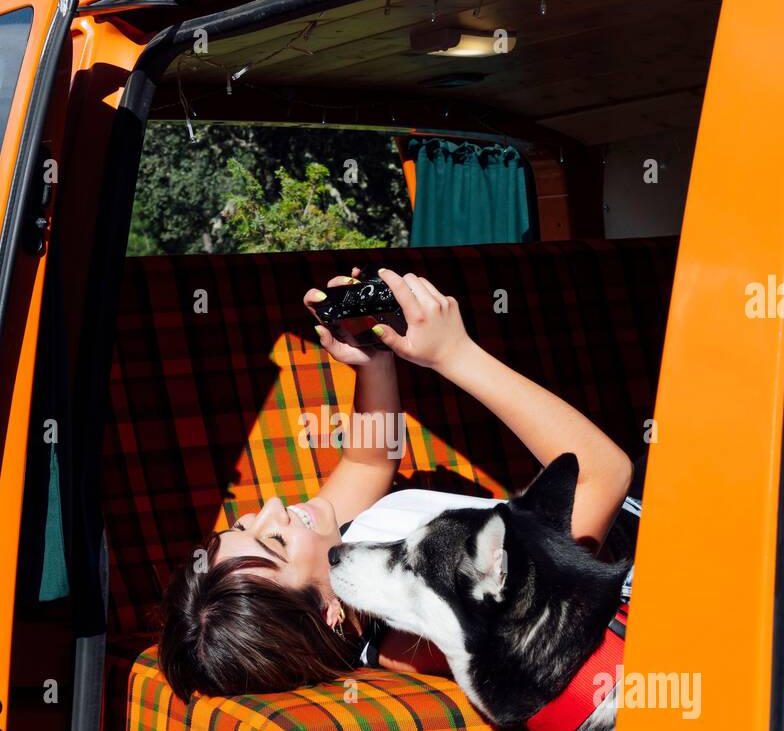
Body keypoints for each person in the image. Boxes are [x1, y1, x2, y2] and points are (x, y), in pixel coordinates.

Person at [158, 267, 637, 700]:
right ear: (327, 612)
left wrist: (372, 359)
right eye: (276, 541)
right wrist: (456, 355)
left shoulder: (345, 558)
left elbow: (369, 462)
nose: (275, 505)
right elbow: (603, 475)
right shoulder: (421, 630)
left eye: (246, 522)